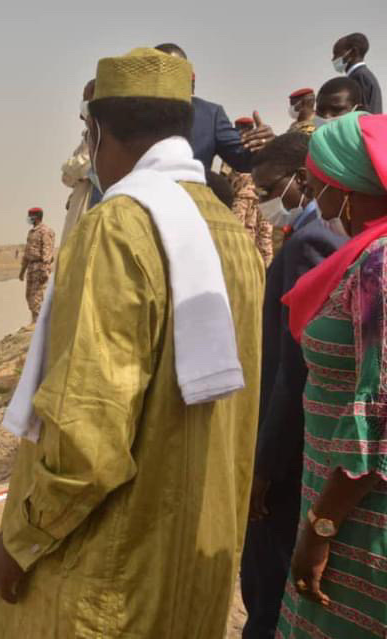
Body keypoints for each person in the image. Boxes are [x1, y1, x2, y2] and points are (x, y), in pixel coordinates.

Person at [0, 48, 264, 638]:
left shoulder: (116, 227)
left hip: (106, 579)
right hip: (191, 570)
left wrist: (20, 541)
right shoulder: (232, 237)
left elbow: (88, 434)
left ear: (98, 129)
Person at [275, 112, 387, 638]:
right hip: (343, 507)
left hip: (360, 521)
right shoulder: (363, 256)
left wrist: (321, 528)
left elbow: (379, 409)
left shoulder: (379, 268)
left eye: (319, 184)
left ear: (347, 188)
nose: (316, 200)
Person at [240, 132, 346, 638]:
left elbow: (292, 367)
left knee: (267, 581)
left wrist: (266, 464)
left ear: (301, 180)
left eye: (269, 188)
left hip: (290, 451)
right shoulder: (306, 236)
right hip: (295, 447)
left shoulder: (311, 242)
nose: (263, 202)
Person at [156, 42, 275, 171]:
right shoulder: (132, 113)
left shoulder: (210, 115)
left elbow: (244, 160)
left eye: (175, 70)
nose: (168, 76)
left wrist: (267, 146)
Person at [230, 117, 275, 264]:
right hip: (264, 198)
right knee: (264, 238)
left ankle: (246, 271)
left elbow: (227, 176)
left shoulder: (236, 148)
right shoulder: (264, 146)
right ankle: (267, 273)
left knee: (241, 237)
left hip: (241, 199)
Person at [61, 80, 99, 235]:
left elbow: (77, 169)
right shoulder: (88, 136)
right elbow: (67, 177)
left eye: (86, 98)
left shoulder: (104, 138)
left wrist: (71, 168)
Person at [18, 207, 55, 323]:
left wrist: (45, 269)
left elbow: (47, 251)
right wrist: (22, 271)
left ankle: (38, 324)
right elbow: (27, 253)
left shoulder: (45, 231)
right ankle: (35, 321)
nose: (28, 219)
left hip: (40, 268)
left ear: (36, 217)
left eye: (30, 216)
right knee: (29, 296)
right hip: (31, 268)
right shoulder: (32, 232)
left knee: (37, 298)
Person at [332, 32, 382, 114]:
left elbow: (361, 114)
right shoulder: (362, 75)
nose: (333, 59)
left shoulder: (359, 76)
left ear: (353, 52)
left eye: (336, 53)